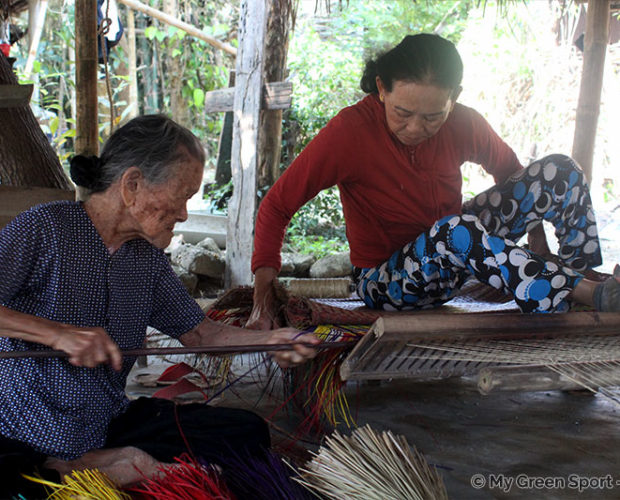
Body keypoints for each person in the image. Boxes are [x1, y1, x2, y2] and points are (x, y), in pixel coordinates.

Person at [0, 115, 319, 492]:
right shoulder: (46, 228)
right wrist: (58, 335)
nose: (184, 213)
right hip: (22, 424)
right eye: (182, 195)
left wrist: (273, 341)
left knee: (245, 432)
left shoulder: (145, 260)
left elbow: (200, 334)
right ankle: (64, 470)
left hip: (104, 420)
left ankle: (93, 465)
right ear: (132, 184)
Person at [248, 33, 620, 329]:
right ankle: (591, 293)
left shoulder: (464, 122)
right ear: (381, 88)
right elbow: (277, 206)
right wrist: (262, 298)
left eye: (432, 117)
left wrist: (537, 240)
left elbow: (513, 174)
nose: (415, 128)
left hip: (455, 253)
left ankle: (581, 282)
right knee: (454, 230)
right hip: (388, 281)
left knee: (560, 171)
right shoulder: (350, 132)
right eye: (402, 113)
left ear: (454, 99)